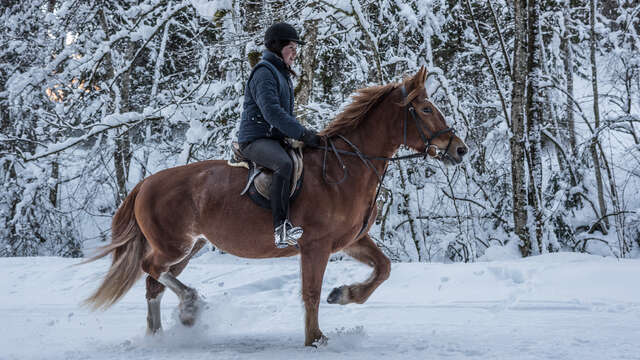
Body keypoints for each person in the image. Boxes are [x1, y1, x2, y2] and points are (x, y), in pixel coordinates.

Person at [237, 22, 322, 249]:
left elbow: (283, 115)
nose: (295, 53)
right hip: (255, 139)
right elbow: (272, 112)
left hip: (273, 138)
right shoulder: (264, 72)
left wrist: (303, 135)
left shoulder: (281, 73)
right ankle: (280, 228)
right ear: (276, 46)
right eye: (291, 47)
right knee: (284, 164)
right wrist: (302, 133)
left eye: (296, 48)